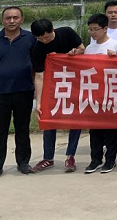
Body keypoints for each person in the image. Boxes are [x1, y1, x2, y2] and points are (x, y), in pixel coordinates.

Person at [30, 19, 84, 174]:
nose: (44, 41)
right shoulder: (37, 48)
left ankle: (70, 156)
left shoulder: (66, 33)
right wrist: (38, 102)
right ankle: (48, 157)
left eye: (46, 37)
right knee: (48, 118)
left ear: (52, 29)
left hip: (74, 83)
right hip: (53, 87)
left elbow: (82, 49)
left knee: (75, 118)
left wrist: (72, 53)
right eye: (40, 38)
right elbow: (39, 76)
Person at [0, 7, 36, 181]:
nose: (12, 21)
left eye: (15, 17)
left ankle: (23, 162)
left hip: (24, 91)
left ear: (22, 19)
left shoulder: (30, 39)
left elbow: (38, 64)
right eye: (8, 18)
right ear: (2, 20)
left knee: (22, 129)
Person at [83, 14, 117, 174]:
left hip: (111, 93)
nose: (93, 32)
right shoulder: (89, 48)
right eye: (91, 29)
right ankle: (95, 159)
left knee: (111, 129)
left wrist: (116, 59)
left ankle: (110, 160)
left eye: (96, 29)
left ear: (105, 28)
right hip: (94, 93)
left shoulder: (116, 45)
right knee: (95, 130)